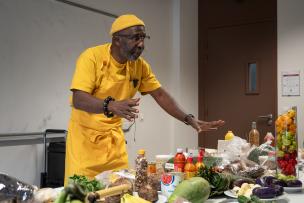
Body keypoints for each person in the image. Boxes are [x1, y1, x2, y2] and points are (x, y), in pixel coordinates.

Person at [64, 14, 224, 184]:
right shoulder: (92, 57)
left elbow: (160, 94)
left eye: (143, 38)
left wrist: (188, 118)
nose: (141, 44)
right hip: (85, 147)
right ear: (117, 40)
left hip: (114, 147)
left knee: (119, 191)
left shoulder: (139, 66)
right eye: (135, 38)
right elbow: (79, 99)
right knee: (81, 194)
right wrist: (110, 105)